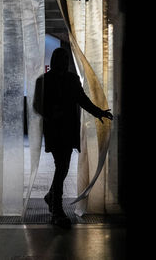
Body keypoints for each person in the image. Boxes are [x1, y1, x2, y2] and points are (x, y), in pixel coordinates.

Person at [33, 47, 113, 228]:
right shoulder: (47, 81)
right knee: (61, 166)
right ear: (56, 61)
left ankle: (52, 196)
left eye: (64, 59)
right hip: (56, 129)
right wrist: (53, 113)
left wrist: (98, 112)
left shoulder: (67, 79)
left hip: (66, 129)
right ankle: (57, 208)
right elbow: (38, 105)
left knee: (64, 166)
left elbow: (82, 99)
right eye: (60, 59)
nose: (62, 62)